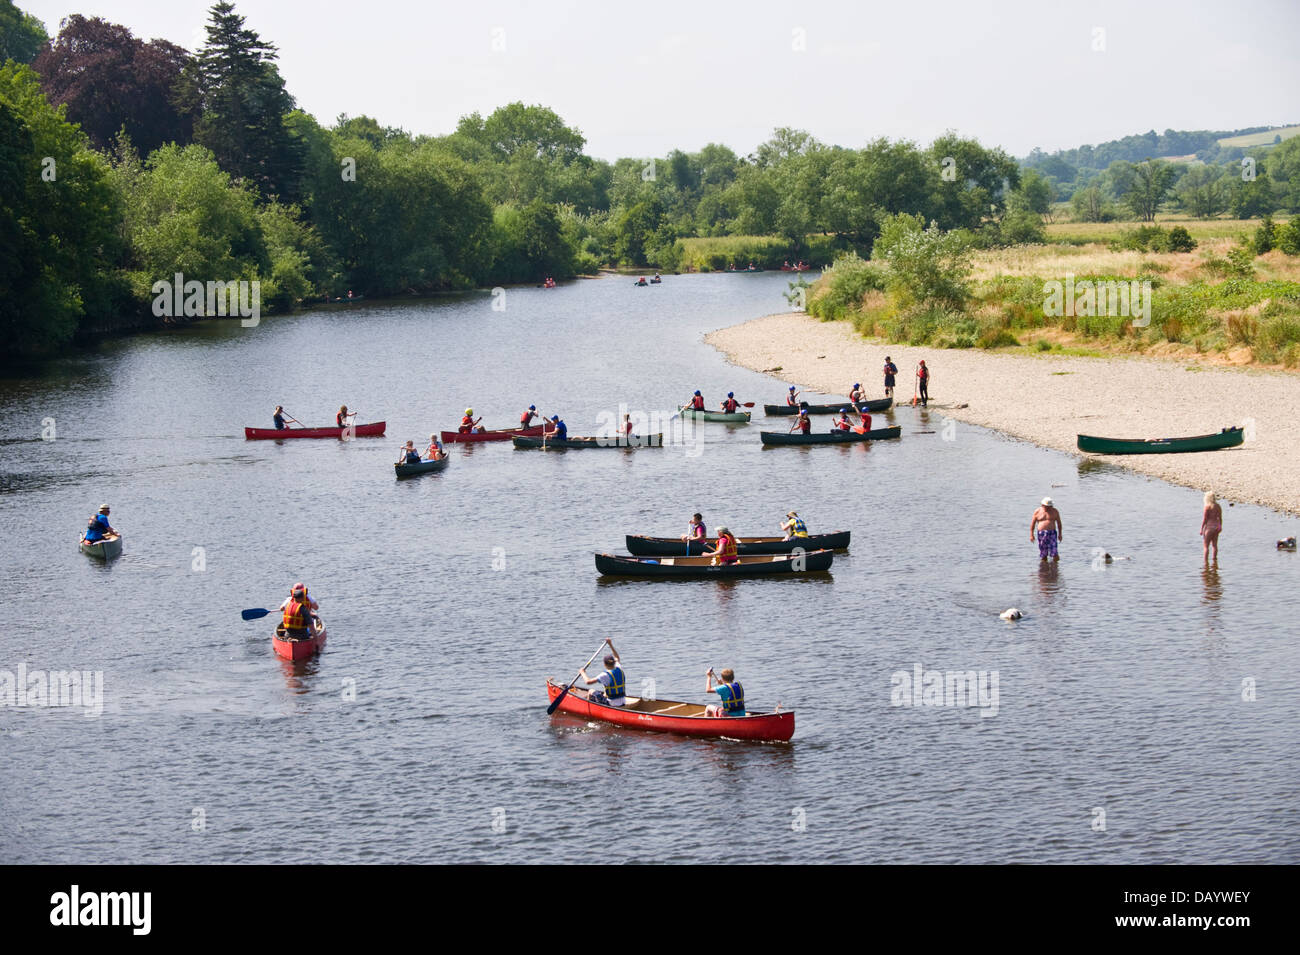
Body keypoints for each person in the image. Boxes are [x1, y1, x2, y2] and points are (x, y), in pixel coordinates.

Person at [579, 640, 625, 707]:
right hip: (623, 702)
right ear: (614, 662)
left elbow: (588, 682)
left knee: (591, 691)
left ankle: (588, 708)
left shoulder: (605, 675)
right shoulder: (619, 667)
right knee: (603, 693)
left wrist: (582, 672)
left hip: (611, 704)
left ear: (604, 664)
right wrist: (610, 644)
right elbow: (617, 657)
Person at [1030, 497, 1063, 562]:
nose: (1048, 508)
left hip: (1052, 533)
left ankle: (1056, 567)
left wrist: (1060, 534)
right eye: (1046, 506)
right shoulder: (1037, 511)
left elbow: (1059, 524)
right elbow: (1032, 524)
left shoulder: (1055, 511)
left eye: (1049, 506)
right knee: (1043, 553)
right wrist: (1031, 535)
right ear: (1042, 505)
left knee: (1054, 552)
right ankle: (1044, 568)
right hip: (1041, 534)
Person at [1200, 491, 1223, 565]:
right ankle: (1214, 560)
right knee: (1215, 545)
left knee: (1206, 546)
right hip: (1216, 527)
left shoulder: (1207, 507)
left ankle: (1206, 562)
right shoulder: (1218, 506)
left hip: (1209, 527)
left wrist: (1201, 529)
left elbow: (1205, 519)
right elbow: (1220, 518)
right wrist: (1220, 526)